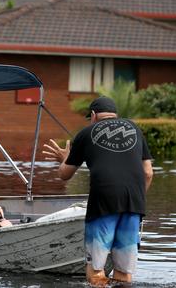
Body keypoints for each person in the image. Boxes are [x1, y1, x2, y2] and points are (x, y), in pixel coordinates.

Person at [43, 96, 153, 286]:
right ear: (115, 115)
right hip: (134, 203)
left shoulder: (86, 133)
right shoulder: (134, 129)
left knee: (96, 271)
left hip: (103, 202)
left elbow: (64, 174)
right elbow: (148, 173)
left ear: (93, 115)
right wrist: (138, 199)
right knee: (124, 273)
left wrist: (65, 157)